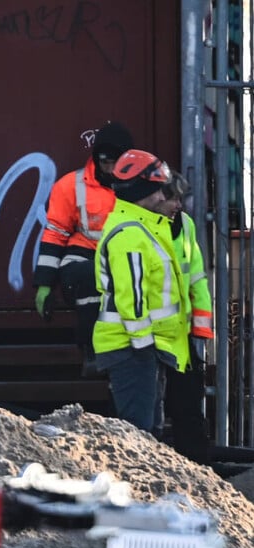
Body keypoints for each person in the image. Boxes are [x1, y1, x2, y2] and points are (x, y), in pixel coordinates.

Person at [93, 150, 190, 434]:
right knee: (139, 432)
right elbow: (131, 299)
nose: (162, 197)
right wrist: (144, 346)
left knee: (147, 430)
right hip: (133, 348)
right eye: (157, 190)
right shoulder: (130, 235)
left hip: (140, 348)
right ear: (142, 192)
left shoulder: (140, 229)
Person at [34, 121, 134, 374]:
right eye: (105, 162)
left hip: (125, 258)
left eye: (116, 162)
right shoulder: (71, 185)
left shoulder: (141, 187)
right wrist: (44, 284)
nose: (110, 169)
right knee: (91, 277)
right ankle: (91, 349)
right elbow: (55, 233)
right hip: (83, 256)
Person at [158, 171, 213, 462]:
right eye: (173, 198)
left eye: (181, 198)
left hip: (180, 334)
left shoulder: (186, 225)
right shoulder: (142, 228)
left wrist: (201, 328)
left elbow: (197, 278)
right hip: (149, 334)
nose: (178, 204)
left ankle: (196, 463)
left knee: (188, 401)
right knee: (152, 407)